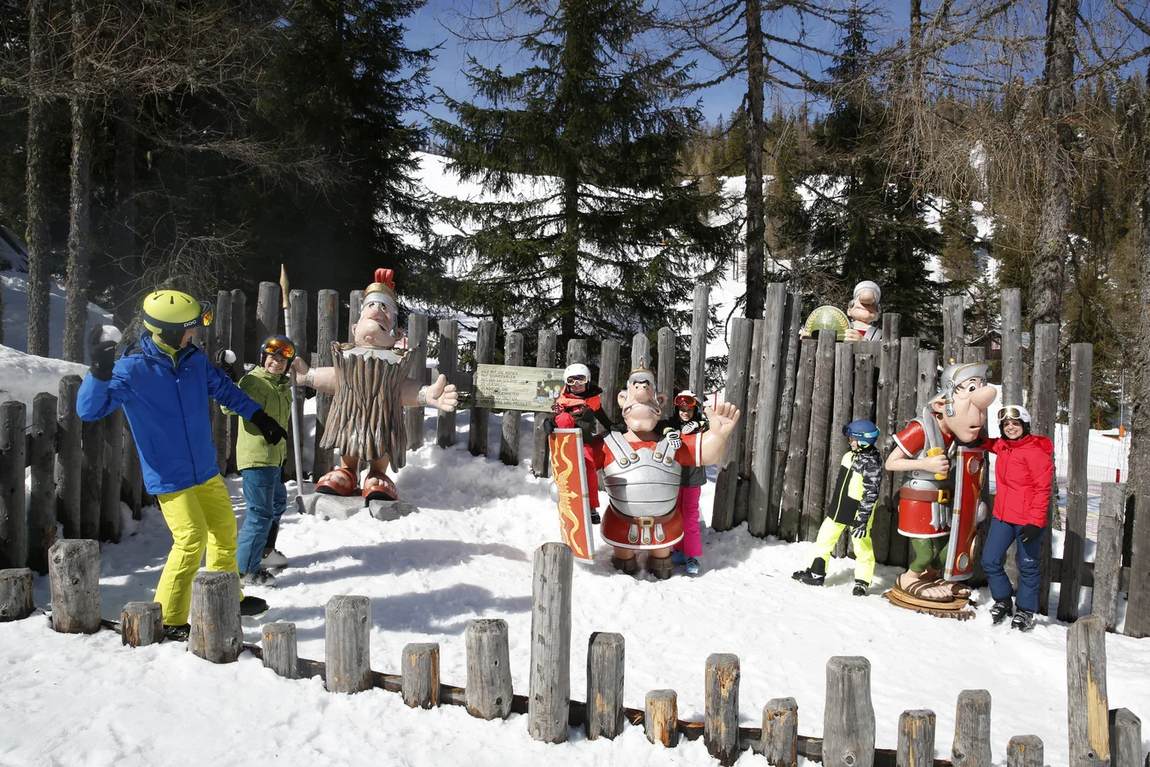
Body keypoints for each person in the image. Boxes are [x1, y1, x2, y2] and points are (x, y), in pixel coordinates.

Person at [78, 289, 288, 640]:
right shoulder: (131, 369)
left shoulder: (193, 359)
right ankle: (170, 618)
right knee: (190, 539)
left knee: (223, 531)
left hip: (204, 468)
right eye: (192, 327)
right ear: (172, 331)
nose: (197, 333)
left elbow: (223, 388)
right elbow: (89, 410)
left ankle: (225, 599)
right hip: (169, 475)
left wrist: (258, 416)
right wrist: (98, 374)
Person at [305, 268, 457, 501]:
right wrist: (308, 376)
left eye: (384, 308)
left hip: (383, 418)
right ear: (355, 329)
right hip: (350, 414)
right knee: (349, 440)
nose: (377, 310)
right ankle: (347, 471)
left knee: (382, 440)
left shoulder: (395, 362)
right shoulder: (346, 356)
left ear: (396, 335)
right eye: (371, 307)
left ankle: (378, 474)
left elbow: (402, 389)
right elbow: (335, 379)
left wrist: (427, 395)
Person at [884, 361, 996, 617]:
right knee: (923, 551)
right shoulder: (921, 428)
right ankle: (910, 579)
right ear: (940, 405)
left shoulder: (952, 435)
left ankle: (934, 578)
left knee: (947, 548)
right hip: (919, 499)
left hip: (943, 501)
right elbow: (891, 462)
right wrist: (925, 462)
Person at [224, 335, 307, 587]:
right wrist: (228, 381)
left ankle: (264, 552)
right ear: (263, 358)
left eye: (283, 360)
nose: (277, 363)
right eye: (272, 358)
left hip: (274, 458)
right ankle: (244, 571)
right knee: (260, 513)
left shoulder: (281, 386)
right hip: (256, 458)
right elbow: (228, 407)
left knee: (278, 503)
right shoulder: (253, 381)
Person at [979, 405, 1053, 632]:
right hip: (1003, 515)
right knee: (990, 560)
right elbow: (992, 444)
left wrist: (1035, 522)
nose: (1011, 427)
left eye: (1016, 423)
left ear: (1025, 426)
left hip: (1028, 520)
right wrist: (975, 440)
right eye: (1006, 424)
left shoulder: (1036, 452)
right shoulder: (1004, 446)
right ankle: (1002, 600)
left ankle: (1025, 610)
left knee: (1028, 566)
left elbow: (1043, 490)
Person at [793, 420, 882, 596]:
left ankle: (862, 581)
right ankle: (816, 573)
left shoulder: (871, 463)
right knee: (824, 539)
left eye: (852, 439)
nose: (849, 442)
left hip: (859, 512)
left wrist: (862, 520)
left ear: (863, 441)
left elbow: (871, 494)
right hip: (840, 507)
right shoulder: (849, 456)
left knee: (862, 546)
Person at [547, 362, 614, 524]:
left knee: (589, 467)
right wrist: (548, 422)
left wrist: (610, 425)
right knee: (564, 418)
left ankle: (591, 506)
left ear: (588, 381)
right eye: (571, 381)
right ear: (566, 383)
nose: (576, 385)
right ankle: (569, 498)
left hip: (584, 441)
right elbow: (554, 415)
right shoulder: (563, 400)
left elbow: (599, 413)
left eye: (580, 380)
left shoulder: (591, 399)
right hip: (566, 442)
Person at [666, 391, 709, 576]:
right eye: (682, 409)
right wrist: (668, 433)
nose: (684, 412)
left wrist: (700, 423)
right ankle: (678, 549)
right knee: (675, 514)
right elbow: (661, 425)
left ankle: (691, 555)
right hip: (674, 476)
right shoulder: (672, 424)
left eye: (688, 409)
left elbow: (714, 428)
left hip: (693, 476)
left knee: (690, 515)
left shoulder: (700, 425)